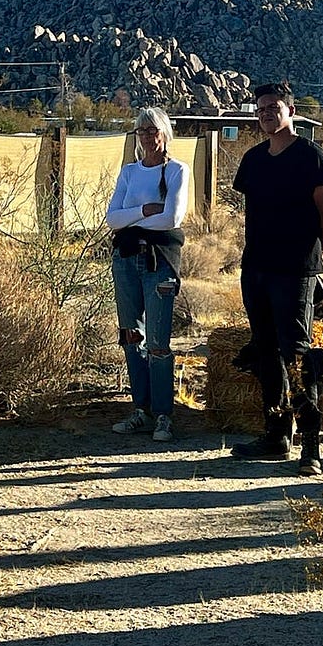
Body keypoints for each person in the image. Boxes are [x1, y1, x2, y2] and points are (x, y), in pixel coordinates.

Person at [230, 82, 323, 475]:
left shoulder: (311, 158)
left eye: (274, 107)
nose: (266, 114)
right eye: (260, 108)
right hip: (255, 267)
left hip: (294, 270)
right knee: (265, 349)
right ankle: (276, 435)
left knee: (297, 351)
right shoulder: (254, 159)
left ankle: (310, 444)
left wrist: (307, 254)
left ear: (290, 111)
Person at [107, 107, 189, 444]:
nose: (146, 136)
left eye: (152, 130)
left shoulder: (176, 171)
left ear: (165, 133)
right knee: (131, 336)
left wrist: (132, 218)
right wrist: (145, 210)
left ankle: (163, 414)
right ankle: (140, 408)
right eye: (141, 131)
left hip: (160, 261)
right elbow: (112, 218)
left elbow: (172, 218)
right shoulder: (129, 172)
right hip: (125, 259)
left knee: (158, 341)